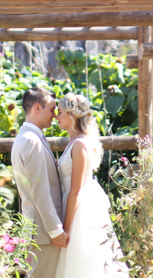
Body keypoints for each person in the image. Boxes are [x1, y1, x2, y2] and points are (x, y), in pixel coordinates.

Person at [54, 93, 130, 278]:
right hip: (74, 203)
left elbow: (76, 190)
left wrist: (67, 228)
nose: (56, 116)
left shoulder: (80, 144)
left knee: (84, 263)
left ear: (72, 115)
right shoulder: (73, 141)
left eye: (60, 112)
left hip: (80, 209)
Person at [11, 87, 69, 278]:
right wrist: (55, 230)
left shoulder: (26, 137)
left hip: (38, 231)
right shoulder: (31, 141)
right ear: (37, 108)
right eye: (52, 109)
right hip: (44, 233)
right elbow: (39, 192)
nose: (54, 115)